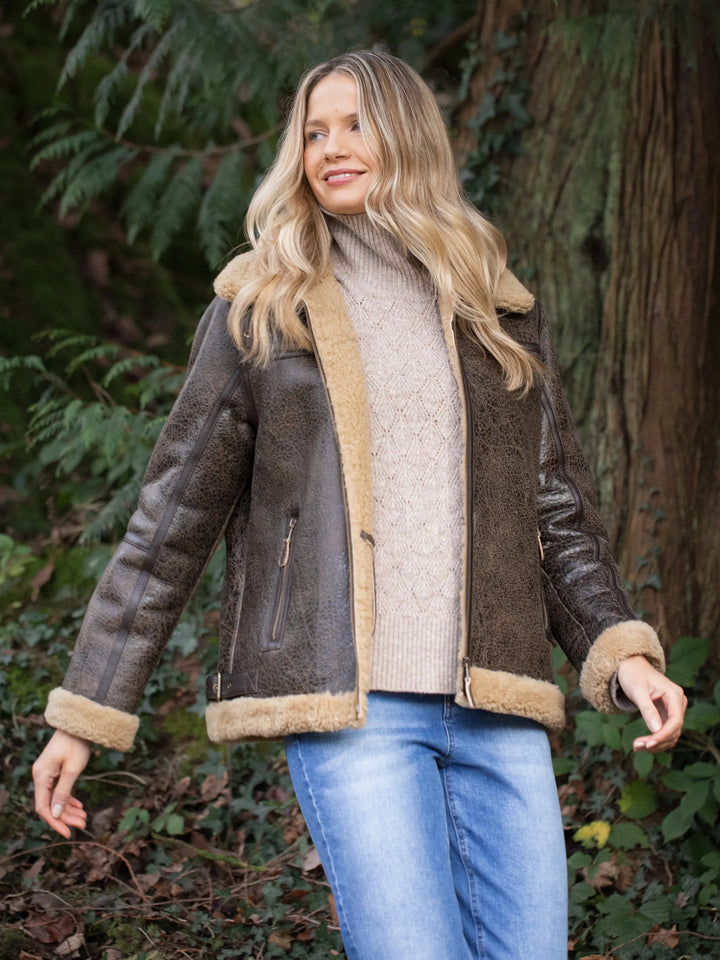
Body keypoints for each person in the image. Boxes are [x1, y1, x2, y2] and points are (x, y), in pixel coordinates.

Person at [32, 50, 686, 960]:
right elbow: (170, 521)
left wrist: (623, 655)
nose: (330, 149)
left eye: (354, 125)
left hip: (496, 706)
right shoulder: (262, 311)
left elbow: (555, 511)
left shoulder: (495, 312)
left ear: (407, 137)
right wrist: (86, 711)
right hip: (357, 715)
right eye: (313, 131)